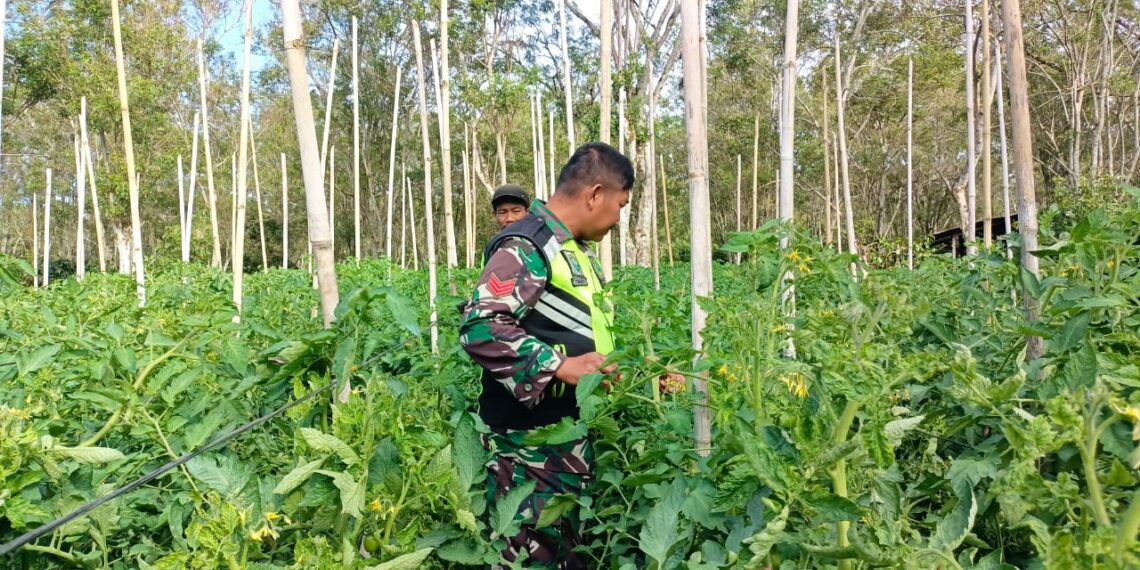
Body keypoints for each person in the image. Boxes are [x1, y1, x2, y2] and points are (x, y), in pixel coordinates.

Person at [459, 142, 631, 568]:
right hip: (529, 452)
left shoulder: (572, 250)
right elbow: (481, 326)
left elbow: (578, 335)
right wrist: (558, 366)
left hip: (563, 443)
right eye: (620, 204)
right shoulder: (526, 244)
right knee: (531, 557)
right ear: (594, 195)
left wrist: (634, 370)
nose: (619, 217)